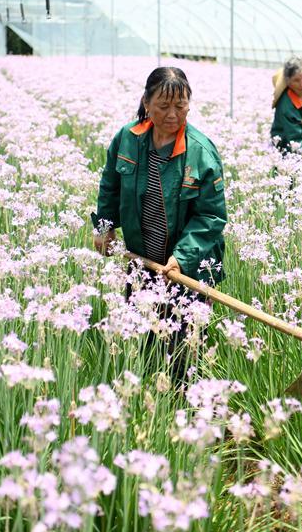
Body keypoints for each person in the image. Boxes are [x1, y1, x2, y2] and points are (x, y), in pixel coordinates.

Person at [91, 66, 227, 383]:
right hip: (142, 261)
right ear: (146, 103)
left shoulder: (200, 152)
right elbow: (109, 187)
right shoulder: (127, 139)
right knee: (145, 342)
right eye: (163, 106)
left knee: (183, 352)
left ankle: (193, 416)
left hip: (186, 268)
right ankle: (151, 413)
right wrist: (104, 227)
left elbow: (211, 217)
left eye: (180, 106)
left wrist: (182, 257)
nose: (172, 114)